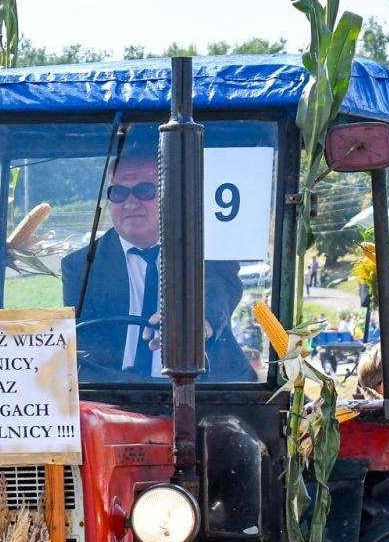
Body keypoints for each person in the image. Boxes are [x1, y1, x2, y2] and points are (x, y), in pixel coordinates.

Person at [60, 135, 248, 380]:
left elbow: (218, 289)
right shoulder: (82, 266)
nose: (130, 203)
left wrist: (198, 322)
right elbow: (89, 349)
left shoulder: (206, 249)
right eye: (118, 193)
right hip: (117, 393)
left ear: (172, 195)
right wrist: (138, 392)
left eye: (144, 190)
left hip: (208, 390)